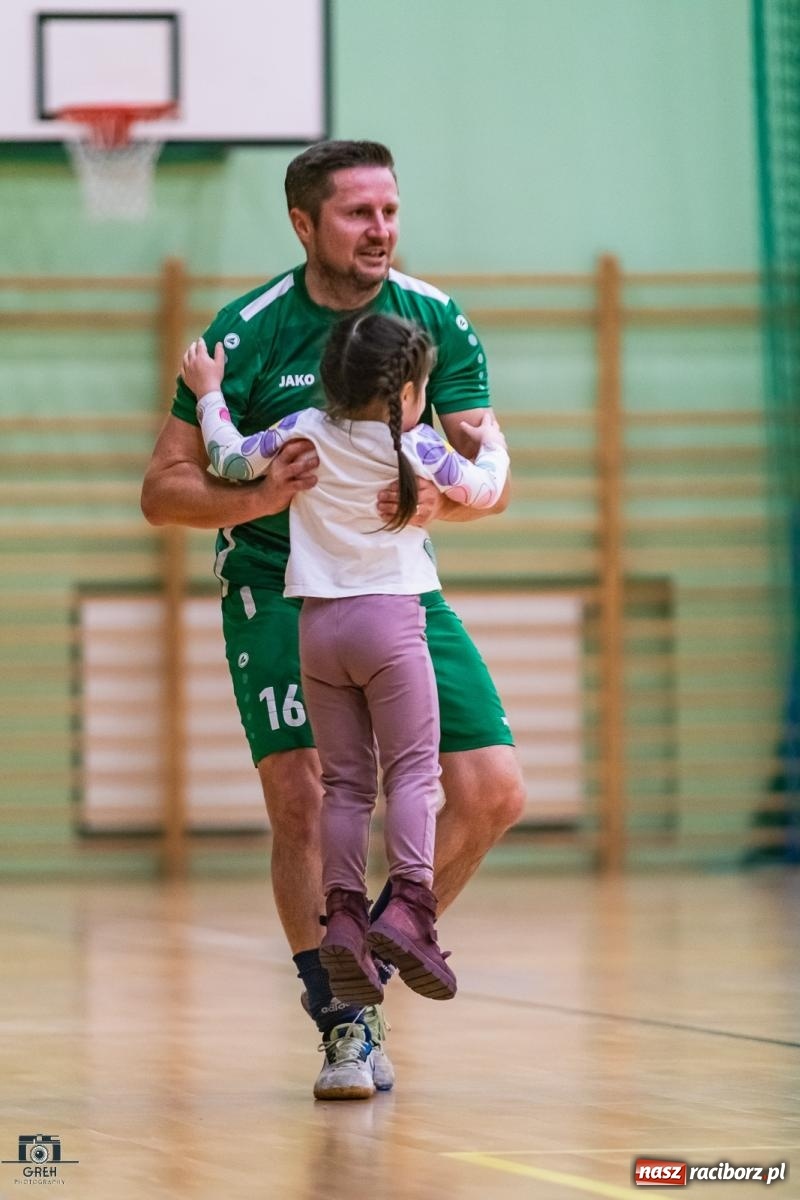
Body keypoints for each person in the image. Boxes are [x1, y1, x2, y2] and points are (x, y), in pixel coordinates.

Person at [140, 139, 526, 1102]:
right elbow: (163, 489)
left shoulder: (433, 318)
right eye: (358, 214)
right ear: (304, 224)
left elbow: (483, 478)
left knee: (491, 791)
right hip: (279, 583)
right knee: (307, 796)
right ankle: (346, 1028)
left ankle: (378, 944)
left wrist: (449, 497)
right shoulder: (249, 330)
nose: (381, 230)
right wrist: (260, 499)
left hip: (394, 582)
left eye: (390, 210)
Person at [182, 312, 510, 1018]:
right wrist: (493, 442)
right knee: (416, 774)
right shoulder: (419, 448)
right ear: (413, 390)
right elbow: (485, 487)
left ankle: (341, 917)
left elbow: (231, 458)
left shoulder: (302, 429)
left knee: (345, 788)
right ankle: (409, 910)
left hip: (317, 627)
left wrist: (209, 391)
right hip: (391, 624)